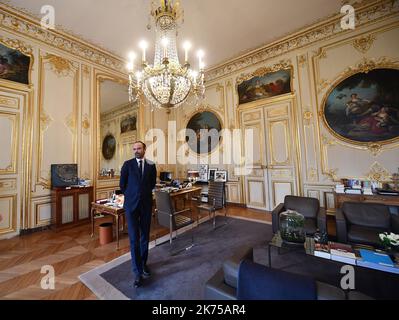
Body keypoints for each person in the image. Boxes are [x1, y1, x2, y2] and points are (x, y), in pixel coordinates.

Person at [120, 141, 157, 288]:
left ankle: (143, 264)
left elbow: (152, 184)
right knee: (134, 239)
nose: (136, 151)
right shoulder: (127, 164)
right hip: (131, 207)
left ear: (144, 149)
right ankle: (137, 273)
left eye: (139, 148)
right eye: (134, 149)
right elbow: (122, 185)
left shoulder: (151, 165)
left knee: (144, 237)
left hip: (146, 206)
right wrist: (132, 195)